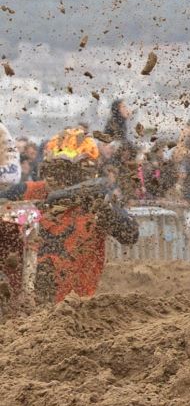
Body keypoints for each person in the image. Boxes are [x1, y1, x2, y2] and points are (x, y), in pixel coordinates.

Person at [2, 127, 140, 305]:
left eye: (67, 171)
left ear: (85, 171)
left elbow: (130, 234)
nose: (60, 177)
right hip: (22, 299)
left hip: (74, 307)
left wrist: (105, 208)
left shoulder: (97, 203)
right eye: (56, 169)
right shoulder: (29, 191)